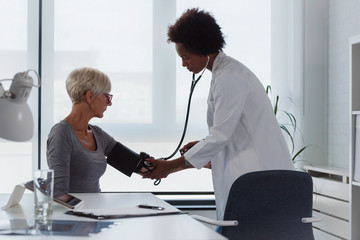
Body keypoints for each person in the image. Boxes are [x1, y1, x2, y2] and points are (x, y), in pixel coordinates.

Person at [143, 8, 295, 221]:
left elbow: (220, 137)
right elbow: (230, 132)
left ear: (203, 49)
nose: (184, 64)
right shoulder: (225, 73)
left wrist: (169, 167)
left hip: (260, 182)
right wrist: (202, 147)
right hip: (254, 181)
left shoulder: (230, 77)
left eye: (186, 57)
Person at [47, 67, 151, 196]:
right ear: (90, 96)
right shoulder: (61, 133)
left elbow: (138, 166)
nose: (110, 103)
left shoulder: (97, 134)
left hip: (96, 210)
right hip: (74, 213)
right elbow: (59, 193)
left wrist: (160, 165)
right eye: (107, 97)